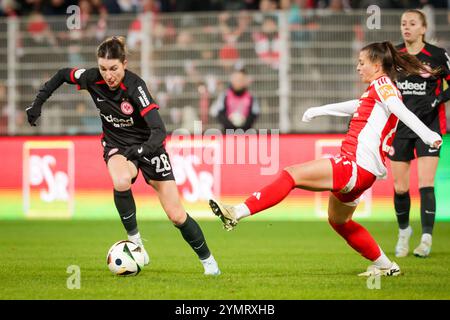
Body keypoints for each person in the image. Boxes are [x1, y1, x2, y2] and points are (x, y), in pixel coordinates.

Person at [209, 41, 443, 277]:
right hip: (364, 173)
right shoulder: (378, 90)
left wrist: (427, 134)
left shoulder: (383, 85)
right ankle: (385, 266)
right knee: (339, 221)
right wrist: (320, 110)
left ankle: (236, 212)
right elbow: (358, 105)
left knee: (291, 174)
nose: (358, 67)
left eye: (362, 63)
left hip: (354, 165)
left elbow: (400, 110)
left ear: (377, 64)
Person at [25, 36, 221, 276]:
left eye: (114, 68)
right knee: (120, 180)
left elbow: (159, 131)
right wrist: (37, 103)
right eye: (103, 68)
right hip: (117, 146)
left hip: (149, 148)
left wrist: (142, 151)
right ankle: (136, 242)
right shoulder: (91, 78)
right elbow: (62, 74)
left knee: (176, 215)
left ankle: (209, 262)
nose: (108, 75)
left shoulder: (136, 87)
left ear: (125, 63)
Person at [389, 9, 450, 258]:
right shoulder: (393, 55)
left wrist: (436, 101)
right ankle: (404, 233)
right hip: (400, 127)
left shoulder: (437, 55)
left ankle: (426, 239)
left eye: (412, 23)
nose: (407, 27)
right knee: (400, 187)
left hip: (429, 127)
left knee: (425, 184)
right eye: (403, 23)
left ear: (423, 29)